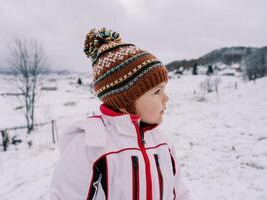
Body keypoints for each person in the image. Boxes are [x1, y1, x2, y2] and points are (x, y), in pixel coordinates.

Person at [50, 28, 191, 200]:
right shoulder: (90, 148)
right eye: (157, 92)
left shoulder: (163, 143)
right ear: (125, 103)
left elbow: (178, 192)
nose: (166, 98)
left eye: (164, 89)